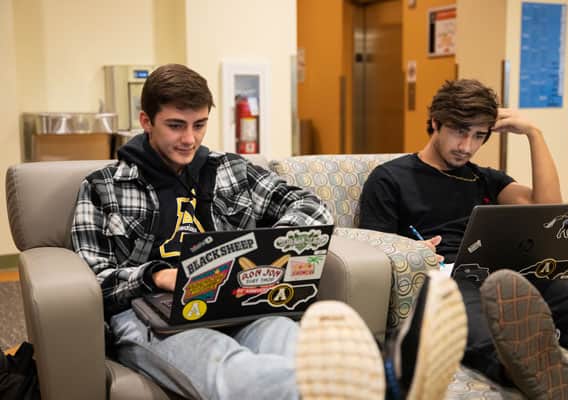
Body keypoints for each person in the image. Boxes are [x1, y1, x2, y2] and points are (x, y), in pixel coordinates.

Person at [71, 64, 467, 400]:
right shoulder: (104, 186)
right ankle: (385, 383)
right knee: (232, 369)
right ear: (146, 121)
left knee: (297, 352)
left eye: (199, 125)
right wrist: (157, 275)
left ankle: (369, 382)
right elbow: (93, 278)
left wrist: (272, 249)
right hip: (152, 313)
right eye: (175, 126)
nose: (189, 139)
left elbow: (310, 207)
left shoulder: (229, 170)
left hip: (235, 300)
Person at [359, 78, 568, 399]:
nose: (467, 146)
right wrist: (412, 250)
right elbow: (374, 247)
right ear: (435, 123)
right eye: (459, 131)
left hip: (506, 275)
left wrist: (534, 134)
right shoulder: (390, 177)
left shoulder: (484, 178)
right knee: (474, 316)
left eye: (478, 136)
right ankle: (533, 371)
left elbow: (550, 211)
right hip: (447, 278)